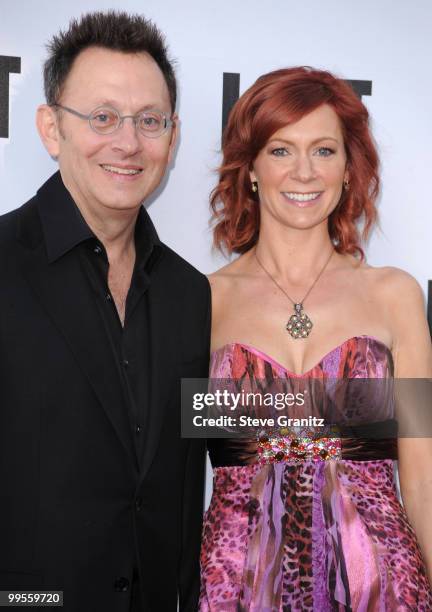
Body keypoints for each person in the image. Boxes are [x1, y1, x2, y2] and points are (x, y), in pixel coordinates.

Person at [200, 67, 432, 610]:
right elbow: (178, 481)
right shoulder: (201, 301)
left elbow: (422, 477)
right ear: (251, 168)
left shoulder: (394, 295)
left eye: (324, 151)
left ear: (349, 169)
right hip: (236, 588)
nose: (304, 172)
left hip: (382, 585)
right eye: (281, 150)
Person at [0, 11, 210, 612]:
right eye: (102, 117)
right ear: (50, 128)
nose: (127, 142)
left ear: (171, 137)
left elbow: (187, 475)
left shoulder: (190, 293)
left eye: (150, 121)